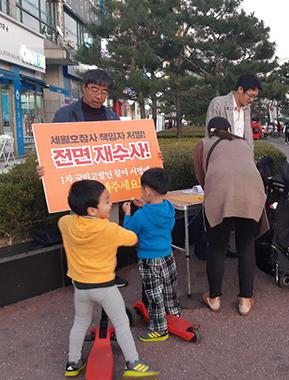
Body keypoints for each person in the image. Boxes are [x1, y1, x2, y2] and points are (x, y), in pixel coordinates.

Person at [36, 69, 128, 287]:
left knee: (108, 232)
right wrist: (43, 168)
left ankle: (108, 275)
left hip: (105, 188)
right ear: (84, 88)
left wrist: (150, 155)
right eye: (94, 90)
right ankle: (80, 277)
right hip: (78, 188)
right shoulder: (65, 114)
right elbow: (50, 149)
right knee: (80, 233)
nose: (99, 96)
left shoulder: (112, 117)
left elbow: (123, 151)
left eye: (104, 92)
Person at [59, 180, 158, 377]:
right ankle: (132, 362)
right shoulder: (109, 230)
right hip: (105, 287)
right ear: (92, 210)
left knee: (80, 323)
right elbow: (132, 238)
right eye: (106, 202)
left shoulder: (65, 223)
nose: (110, 204)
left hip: (80, 287)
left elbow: (67, 221)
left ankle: (73, 362)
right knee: (121, 323)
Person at [192, 117, 268, 316]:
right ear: (229, 129)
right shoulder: (243, 143)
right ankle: (245, 301)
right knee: (245, 247)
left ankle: (214, 299)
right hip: (252, 195)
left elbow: (201, 177)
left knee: (216, 248)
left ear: (209, 131)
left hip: (220, 196)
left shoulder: (203, 144)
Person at [122, 168, 180, 342]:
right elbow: (158, 217)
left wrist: (127, 213)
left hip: (149, 259)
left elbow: (129, 233)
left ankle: (159, 329)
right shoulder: (169, 207)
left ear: (146, 190)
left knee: (154, 294)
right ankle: (174, 313)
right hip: (168, 255)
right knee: (170, 288)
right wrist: (146, 205)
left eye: (141, 189)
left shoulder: (141, 215)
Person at [205, 73, 262, 148]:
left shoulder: (247, 108)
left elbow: (248, 137)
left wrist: (250, 157)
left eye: (254, 97)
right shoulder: (218, 104)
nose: (251, 100)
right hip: (222, 156)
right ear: (240, 89)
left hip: (243, 156)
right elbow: (210, 136)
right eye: (250, 96)